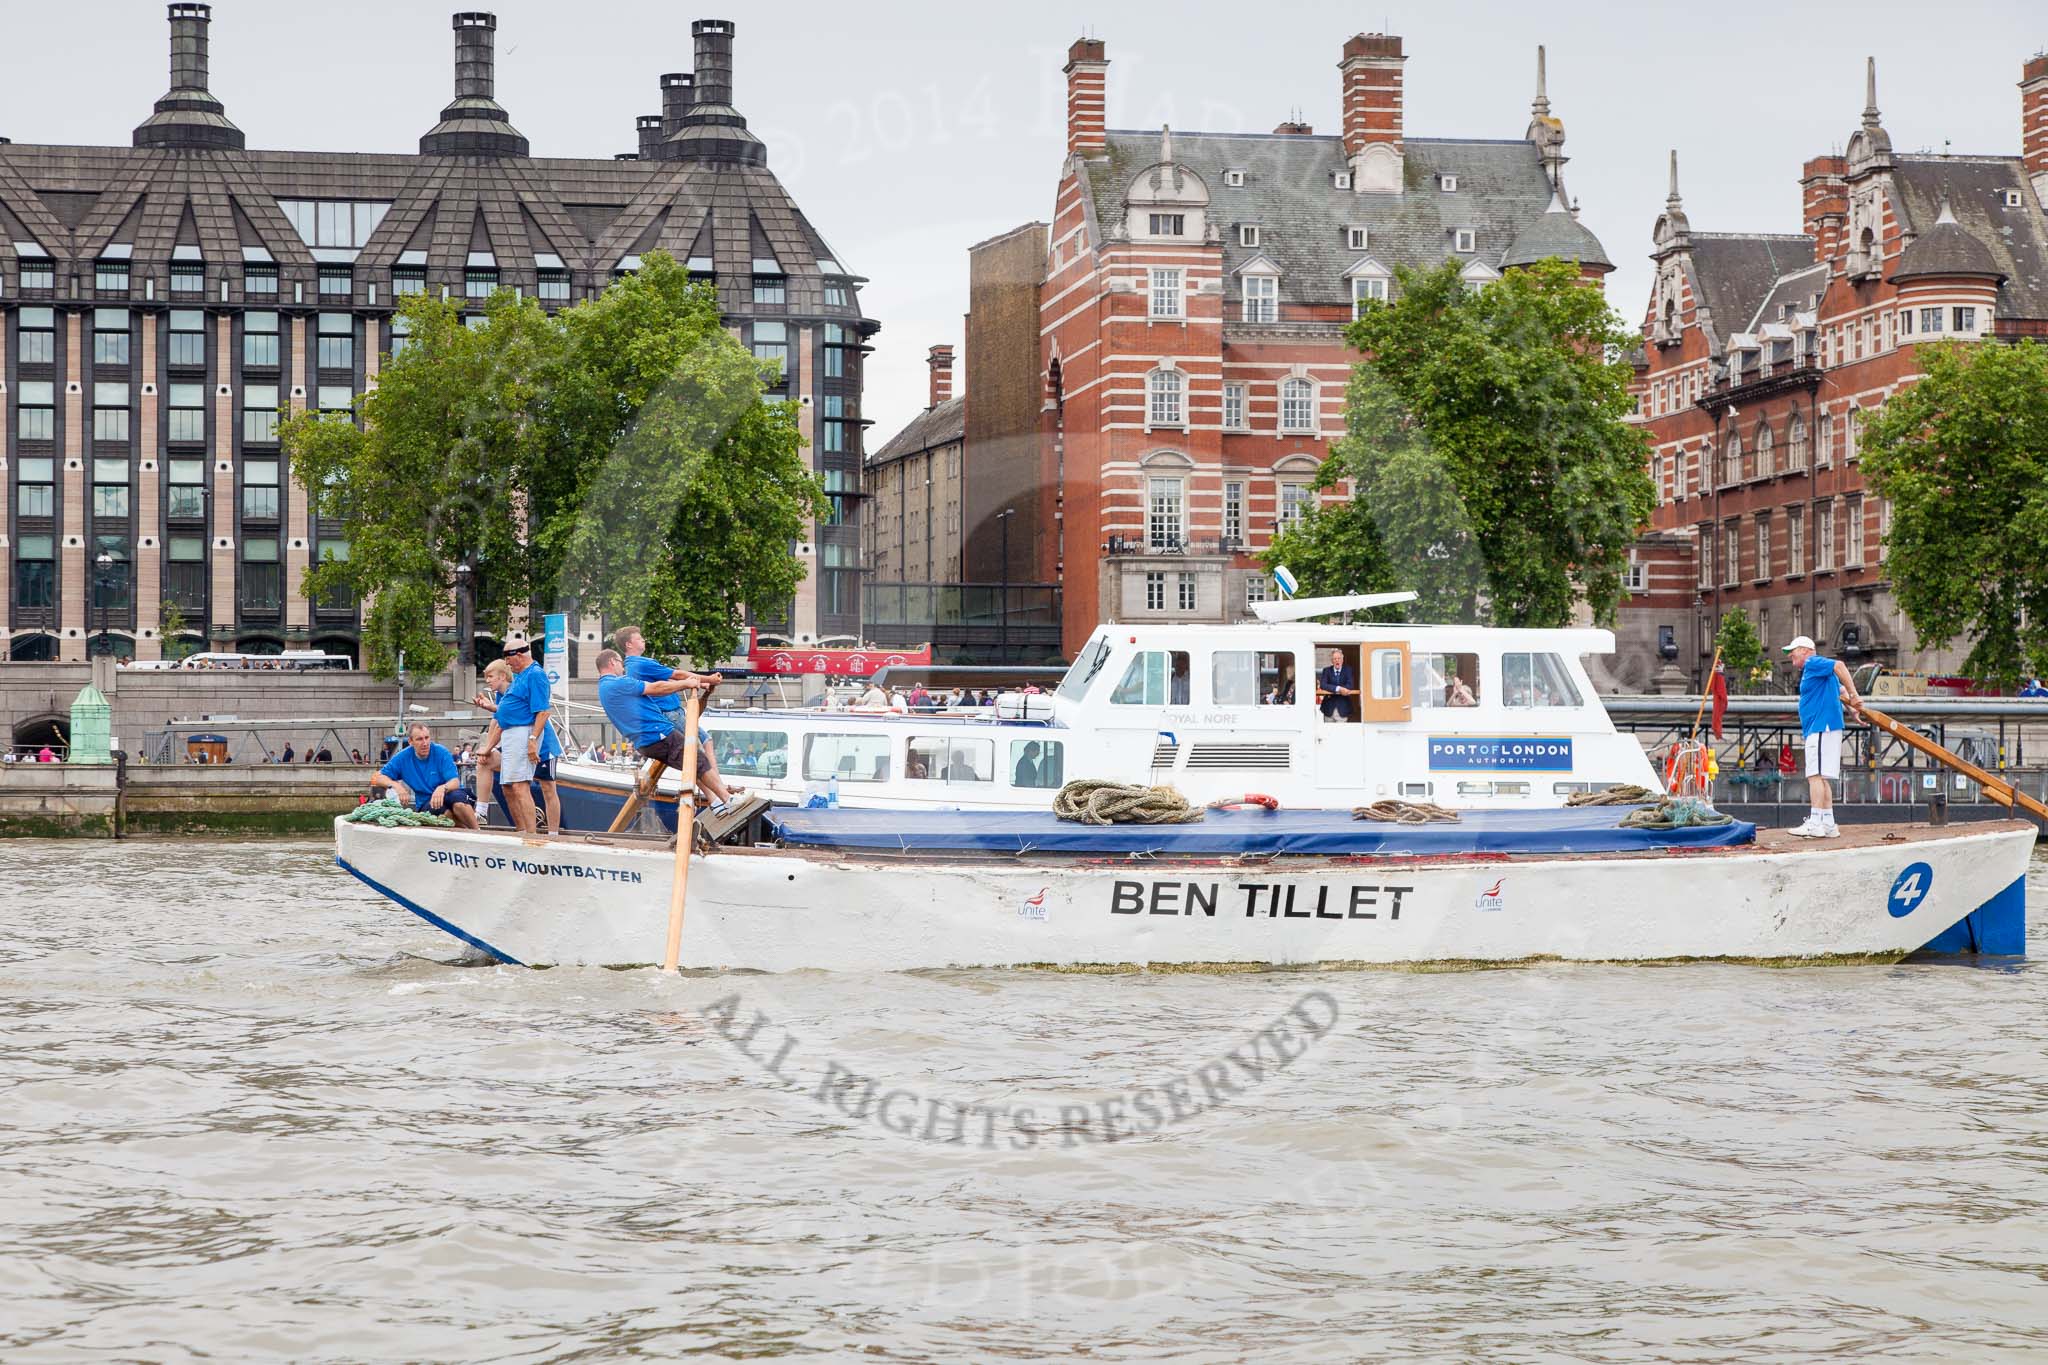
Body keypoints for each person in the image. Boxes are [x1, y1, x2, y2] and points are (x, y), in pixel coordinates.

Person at [593, 648, 736, 812]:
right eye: (619, 663)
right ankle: (728, 799)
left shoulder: (603, 688)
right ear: (612, 662)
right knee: (698, 759)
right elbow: (657, 687)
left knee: (690, 765)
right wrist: (686, 683)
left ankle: (716, 802)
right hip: (657, 733)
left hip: (645, 742)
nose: (622, 667)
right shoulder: (619, 683)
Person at [1783, 634, 1865, 838]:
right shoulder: (1820, 671)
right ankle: (1828, 823)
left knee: (1814, 776)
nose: (1791, 658)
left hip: (1820, 727)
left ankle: (1815, 822)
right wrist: (1852, 708)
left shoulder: (1812, 663)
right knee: (1822, 777)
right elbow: (1839, 689)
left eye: (1793, 653)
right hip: (1827, 726)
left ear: (1804, 650)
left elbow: (1840, 665)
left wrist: (1855, 696)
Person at [475, 657, 563, 834]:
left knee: (547, 788)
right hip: (517, 745)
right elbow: (499, 721)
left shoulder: (520, 687)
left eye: (490, 676)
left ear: (502, 676)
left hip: (543, 745)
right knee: (508, 784)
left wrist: (489, 746)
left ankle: (552, 835)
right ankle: (496, 817)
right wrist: (488, 748)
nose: (488, 681)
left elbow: (540, 713)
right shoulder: (503, 695)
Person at [371, 721, 480, 830]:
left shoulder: (441, 752)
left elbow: (454, 782)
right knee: (443, 813)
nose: (425, 743)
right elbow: (379, 777)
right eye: (419, 739)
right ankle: (465, 831)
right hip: (426, 801)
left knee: (459, 804)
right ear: (410, 741)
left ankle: (478, 831)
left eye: (427, 738)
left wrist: (442, 788)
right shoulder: (402, 757)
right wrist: (396, 785)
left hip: (450, 793)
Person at [1317, 649, 1358, 722]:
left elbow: (1350, 685)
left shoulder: (1348, 670)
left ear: (1342, 659)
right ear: (1332, 661)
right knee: (1328, 732)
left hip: (1343, 708)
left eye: (1339, 658)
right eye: (1334, 659)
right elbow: (1323, 685)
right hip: (1328, 708)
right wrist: (1338, 688)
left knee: (1341, 732)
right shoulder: (1327, 670)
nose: (1337, 660)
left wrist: (1333, 688)